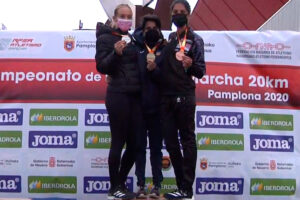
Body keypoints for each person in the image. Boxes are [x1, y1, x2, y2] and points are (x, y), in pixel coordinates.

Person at [156, 0, 206, 199]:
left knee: (187, 140)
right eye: (175, 12)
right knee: (170, 142)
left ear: (189, 14)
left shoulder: (195, 39)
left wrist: (190, 64)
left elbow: (201, 71)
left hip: (185, 95)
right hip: (166, 97)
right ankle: (180, 185)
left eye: (182, 12)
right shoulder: (169, 37)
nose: (178, 14)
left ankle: (187, 188)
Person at [95, 4, 142, 200]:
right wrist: (115, 53)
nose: (125, 19)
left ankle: (121, 182)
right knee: (118, 142)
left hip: (135, 97)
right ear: (114, 18)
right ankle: (114, 187)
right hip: (117, 96)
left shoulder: (134, 39)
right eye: (122, 16)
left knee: (136, 144)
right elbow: (101, 67)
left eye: (128, 16)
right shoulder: (105, 38)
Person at [132, 15, 165, 199]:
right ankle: (141, 185)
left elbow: (168, 79)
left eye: (154, 28)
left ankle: (157, 185)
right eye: (147, 28)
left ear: (159, 30)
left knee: (156, 149)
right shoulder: (135, 48)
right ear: (142, 31)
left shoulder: (165, 49)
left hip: (158, 108)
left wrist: (156, 70)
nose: (151, 31)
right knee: (139, 147)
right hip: (138, 107)